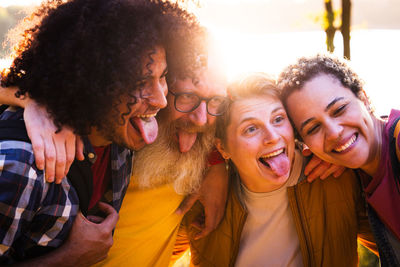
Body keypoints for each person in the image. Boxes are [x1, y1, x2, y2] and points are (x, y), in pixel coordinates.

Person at [0, 0, 203, 265]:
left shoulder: (117, 132)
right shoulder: (20, 167)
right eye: (140, 82)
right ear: (95, 81)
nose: (161, 100)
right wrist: (71, 256)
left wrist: (217, 167)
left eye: (162, 77)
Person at [181, 73, 377, 266]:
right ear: (222, 148)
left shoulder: (338, 178)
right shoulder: (204, 200)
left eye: (278, 119)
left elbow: (391, 241)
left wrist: (342, 156)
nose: (273, 137)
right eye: (251, 129)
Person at [98, 54, 230, 266]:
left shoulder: (198, 158)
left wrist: (216, 164)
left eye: (216, 100)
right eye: (187, 96)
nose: (202, 118)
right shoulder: (100, 145)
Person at [278, 54, 400, 265]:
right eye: (313, 128)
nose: (334, 133)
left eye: (339, 109)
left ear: (364, 98)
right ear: (305, 143)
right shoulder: (355, 181)